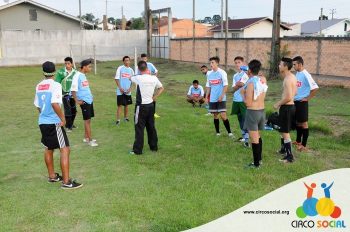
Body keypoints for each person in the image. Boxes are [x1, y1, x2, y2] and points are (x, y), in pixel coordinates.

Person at [34, 61, 83, 189]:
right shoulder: (55, 85)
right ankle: (66, 182)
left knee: (48, 148)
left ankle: (52, 176)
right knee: (65, 149)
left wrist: (44, 115)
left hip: (43, 122)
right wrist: (62, 119)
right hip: (54, 123)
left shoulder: (39, 86)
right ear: (54, 72)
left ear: (43, 71)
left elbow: (38, 106)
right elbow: (55, 104)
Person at [128, 60, 164, 155]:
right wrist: (155, 97)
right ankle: (154, 147)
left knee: (139, 128)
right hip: (151, 106)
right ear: (147, 68)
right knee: (151, 126)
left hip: (141, 107)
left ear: (139, 69)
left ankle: (137, 150)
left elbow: (130, 78)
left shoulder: (138, 78)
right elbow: (161, 88)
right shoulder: (154, 78)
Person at [241, 59, 268, 168]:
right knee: (258, 136)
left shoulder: (251, 83)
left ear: (249, 70)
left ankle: (256, 164)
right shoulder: (263, 79)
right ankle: (259, 159)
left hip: (252, 112)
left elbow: (248, 103)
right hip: (262, 111)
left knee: (254, 139)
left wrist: (242, 93)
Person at [292, 56, 319, 152]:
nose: (293, 66)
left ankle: (304, 145)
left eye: (294, 64)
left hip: (302, 102)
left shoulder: (305, 74)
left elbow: (315, 88)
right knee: (298, 122)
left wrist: (307, 98)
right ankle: (298, 141)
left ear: (300, 64)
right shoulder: (297, 73)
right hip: (296, 101)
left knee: (304, 123)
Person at [274, 57, 297, 163]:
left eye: (280, 64)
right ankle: (284, 149)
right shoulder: (293, 77)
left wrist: (278, 104)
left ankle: (289, 157)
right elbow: (294, 93)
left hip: (287, 107)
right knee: (283, 130)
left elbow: (288, 97)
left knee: (285, 132)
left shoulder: (288, 79)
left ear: (285, 67)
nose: (279, 66)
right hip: (290, 107)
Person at [71, 59, 98, 147]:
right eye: (89, 67)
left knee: (88, 120)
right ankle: (90, 140)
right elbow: (73, 90)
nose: (90, 68)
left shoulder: (83, 75)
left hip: (89, 100)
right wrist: (77, 101)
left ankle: (86, 137)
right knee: (87, 121)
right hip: (84, 101)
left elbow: (84, 88)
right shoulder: (77, 76)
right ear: (84, 67)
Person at [205, 56, 233, 137]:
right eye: (210, 63)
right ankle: (217, 132)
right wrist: (206, 97)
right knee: (215, 115)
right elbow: (208, 86)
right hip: (213, 98)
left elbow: (226, 85)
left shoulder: (222, 72)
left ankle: (230, 133)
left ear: (217, 63)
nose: (211, 64)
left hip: (221, 98)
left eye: (213, 62)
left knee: (223, 115)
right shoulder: (209, 74)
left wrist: (222, 95)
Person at [231, 56, 250, 147]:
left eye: (239, 62)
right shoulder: (235, 75)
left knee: (245, 119)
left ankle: (247, 139)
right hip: (236, 99)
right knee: (239, 118)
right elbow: (233, 88)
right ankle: (243, 137)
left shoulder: (245, 74)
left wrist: (237, 85)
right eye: (236, 62)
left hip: (243, 100)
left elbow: (241, 84)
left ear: (242, 63)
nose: (237, 64)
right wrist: (237, 85)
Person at [138, 53, 161, 118]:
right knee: (142, 99)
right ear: (141, 59)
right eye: (143, 59)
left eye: (145, 59)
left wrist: (154, 78)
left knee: (153, 98)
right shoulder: (139, 66)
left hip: (150, 85)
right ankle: (142, 113)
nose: (144, 60)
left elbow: (156, 71)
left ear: (147, 59)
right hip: (143, 86)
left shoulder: (150, 65)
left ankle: (153, 113)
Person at [115, 56, 134, 125]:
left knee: (126, 105)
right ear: (123, 61)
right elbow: (116, 79)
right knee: (119, 105)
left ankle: (126, 118)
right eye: (125, 60)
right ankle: (118, 120)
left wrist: (130, 89)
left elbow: (132, 80)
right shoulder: (120, 68)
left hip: (128, 91)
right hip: (120, 90)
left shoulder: (131, 70)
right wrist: (120, 88)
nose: (127, 62)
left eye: (128, 60)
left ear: (129, 61)